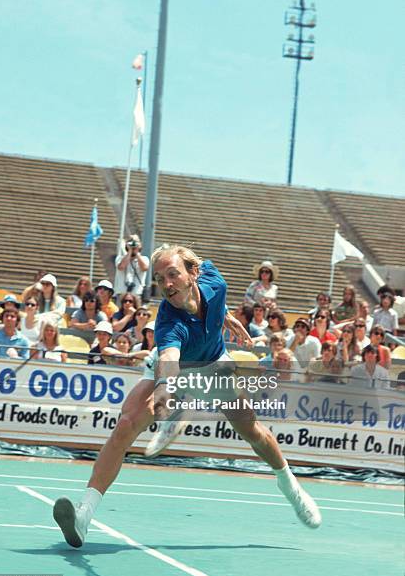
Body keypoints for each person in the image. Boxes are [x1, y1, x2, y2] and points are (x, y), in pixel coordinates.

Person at [53, 244, 321, 548]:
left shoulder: (215, 281)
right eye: (160, 278)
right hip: (174, 368)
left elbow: (215, 297)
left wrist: (227, 318)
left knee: (251, 429)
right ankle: (83, 517)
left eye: (173, 274)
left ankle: (293, 490)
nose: (167, 284)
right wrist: (167, 387)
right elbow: (169, 357)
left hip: (214, 366)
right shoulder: (169, 321)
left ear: (192, 274)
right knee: (126, 424)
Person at [114, 234, 149, 301]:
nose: (133, 243)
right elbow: (121, 267)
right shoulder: (120, 258)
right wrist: (129, 251)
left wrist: (136, 252)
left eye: (135, 241)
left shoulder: (144, 259)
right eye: (131, 241)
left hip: (137, 294)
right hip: (122, 294)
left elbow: (144, 268)